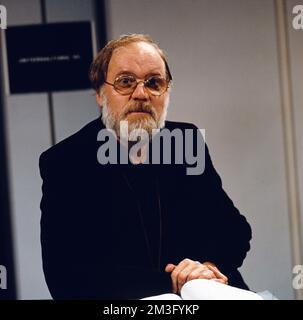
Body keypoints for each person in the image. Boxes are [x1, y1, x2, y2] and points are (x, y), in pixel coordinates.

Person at [39, 34, 252, 299]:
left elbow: (234, 231)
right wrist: (172, 282)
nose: (141, 94)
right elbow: (67, 276)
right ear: (99, 93)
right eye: (125, 82)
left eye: (154, 82)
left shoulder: (185, 142)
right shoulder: (66, 161)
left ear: (166, 91)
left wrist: (207, 267)